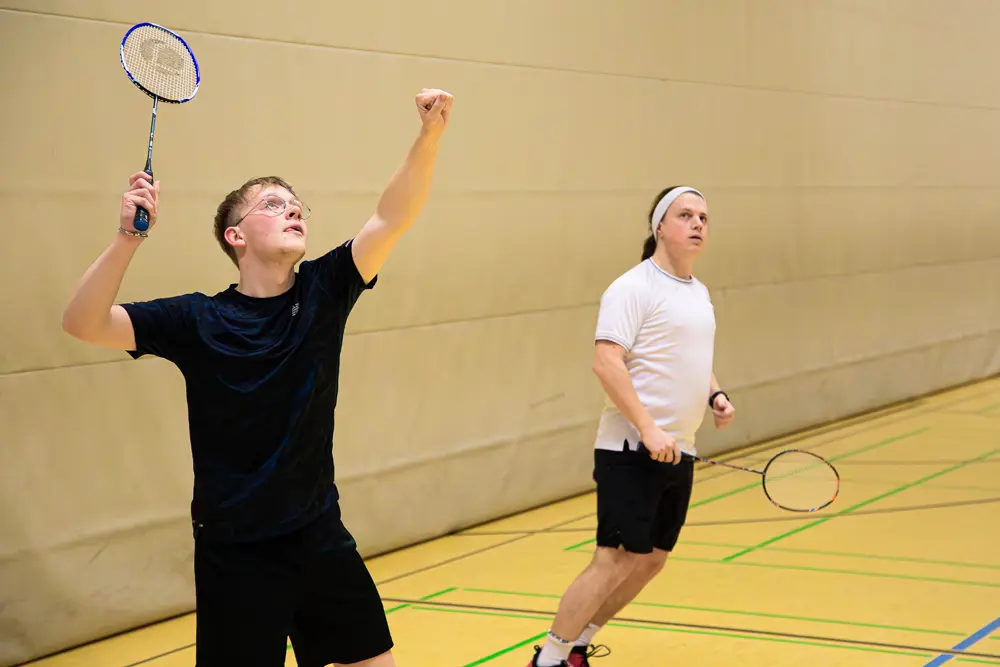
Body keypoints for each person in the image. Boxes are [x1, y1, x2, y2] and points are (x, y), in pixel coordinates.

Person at [61, 88, 454, 667]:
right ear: (235, 236)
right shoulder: (197, 319)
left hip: (318, 534)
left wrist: (430, 136)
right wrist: (129, 238)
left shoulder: (326, 289)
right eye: (273, 204)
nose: (293, 210)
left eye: (296, 205)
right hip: (236, 551)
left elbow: (393, 215)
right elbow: (83, 323)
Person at [525, 186, 736, 667]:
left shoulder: (698, 293)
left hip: (679, 449)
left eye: (704, 216)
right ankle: (548, 660)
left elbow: (691, 358)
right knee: (613, 559)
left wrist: (715, 394)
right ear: (660, 226)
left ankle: (578, 646)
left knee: (652, 558)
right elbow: (607, 363)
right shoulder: (632, 288)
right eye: (686, 215)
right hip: (629, 450)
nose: (698, 224)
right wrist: (647, 428)